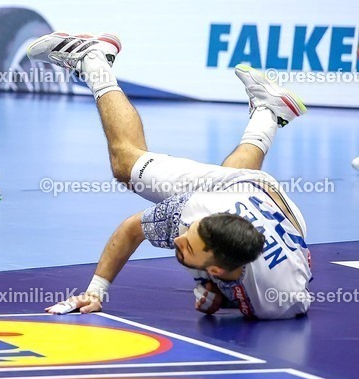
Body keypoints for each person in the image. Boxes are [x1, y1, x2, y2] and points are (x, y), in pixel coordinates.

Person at [26, 33, 312, 320]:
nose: (177, 239)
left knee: (232, 176)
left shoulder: (282, 300)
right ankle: (93, 59)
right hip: (255, 194)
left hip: (266, 201)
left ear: (216, 269)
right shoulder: (191, 214)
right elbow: (131, 229)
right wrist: (94, 293)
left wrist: (221, 296)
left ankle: (268, 112)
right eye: (187, 235)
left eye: (188, 243)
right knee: (127, 164)